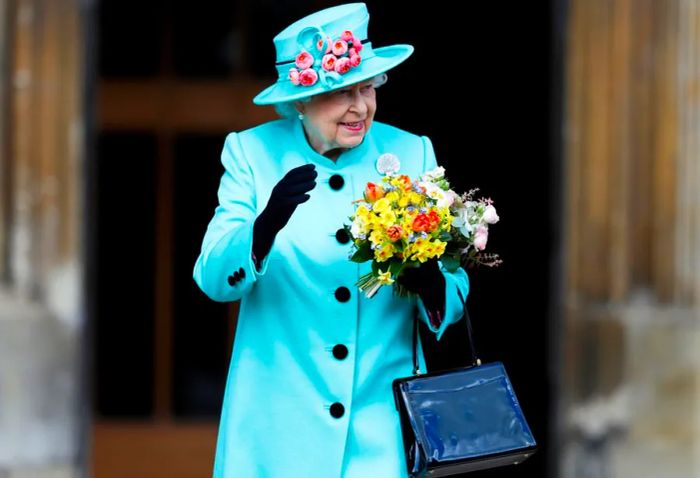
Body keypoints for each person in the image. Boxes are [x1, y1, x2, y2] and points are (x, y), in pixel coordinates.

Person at [193, 3, 469, 477]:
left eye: (367, 87)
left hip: (381, 427)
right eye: (341, 91)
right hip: (277, 428)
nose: (360, 106)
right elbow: (213, 278)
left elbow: (454, 287)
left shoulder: (410, 151)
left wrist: (433, 286)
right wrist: (259, 232)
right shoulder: (252, 153)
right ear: (299, 100)